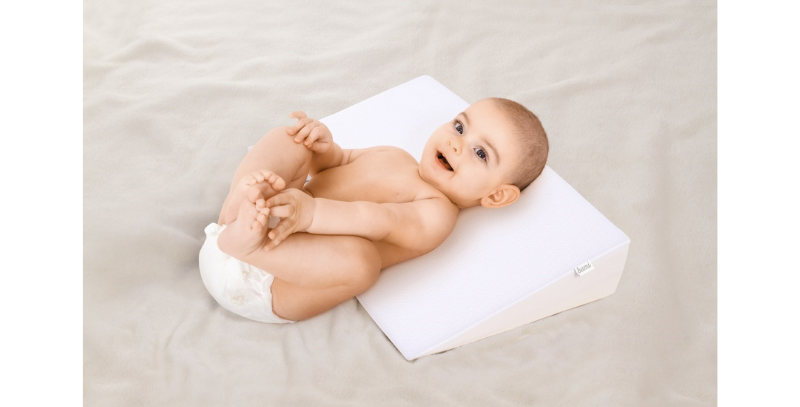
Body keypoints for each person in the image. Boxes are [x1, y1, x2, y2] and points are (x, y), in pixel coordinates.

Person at [199, 98, 549, 323]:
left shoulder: (438, 212)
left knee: (361, 264)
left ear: (497, 196)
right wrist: (322, 146)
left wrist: (311, 214)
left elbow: (378, 219)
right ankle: (240, 207)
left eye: (480, 153)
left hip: (274, 281)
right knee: (291, 138)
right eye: (459, 126)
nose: (457, 143)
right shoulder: (395, 155)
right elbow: (336, 163)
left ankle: (250, 245)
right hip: (255, 223)